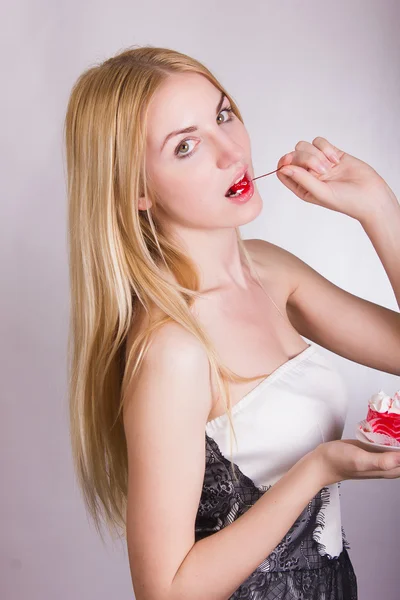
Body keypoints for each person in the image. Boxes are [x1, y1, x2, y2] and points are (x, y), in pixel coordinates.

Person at [64, 45, 400, 600]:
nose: (231, 152)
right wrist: (317, 469)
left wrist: (379, 209)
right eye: (186, 145)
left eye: (223, 115)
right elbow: (165, 590)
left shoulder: (268, 268)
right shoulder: (174, 349)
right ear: (136, 190)